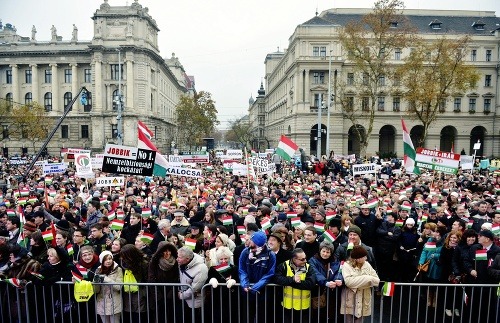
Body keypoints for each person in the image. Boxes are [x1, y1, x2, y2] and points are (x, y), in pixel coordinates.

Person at [238, 231, 276, 323]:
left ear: (258, 244)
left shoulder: (270, 255)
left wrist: (256, 287)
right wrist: (244, 284)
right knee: (247, 318)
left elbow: (269, 274)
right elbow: (242, 270)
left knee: (262, 318)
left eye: (252, 241)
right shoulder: (245, 252)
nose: (249, 242)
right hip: (247, 293)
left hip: (262, 293)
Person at [274, 248, 317, 323]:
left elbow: (311, 283)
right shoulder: (284, 266)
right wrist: (292, 279)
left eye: (305, 258)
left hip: (304, 306)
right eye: (302, 259)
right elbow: (277, 279)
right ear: (294, 259)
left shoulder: (308, 267)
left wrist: (292, 283)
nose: (305, 261)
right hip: (287, 306)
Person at [340, 245, 380, 323]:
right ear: (357, 258)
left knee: (360, 320)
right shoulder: (347, 265)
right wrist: (368, 278)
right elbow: (348, 282)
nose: (366, 258)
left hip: (364, 297)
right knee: (349, 320)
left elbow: (376, 280)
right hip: (350, 297)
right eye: (364, 257)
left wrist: (357, 283)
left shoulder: (367, 264)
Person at [308, 241, 343, 322]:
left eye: (328, 252)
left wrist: (339, 279)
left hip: (332, 291)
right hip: (319, 291)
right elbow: (315, 273)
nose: (325, 254)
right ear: (320, 251)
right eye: (323, 251)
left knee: (332, 313)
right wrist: (325, 282)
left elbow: (339, 271)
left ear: (331, 253)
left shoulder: (335, 260)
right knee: (318, 314)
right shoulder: (313, 260)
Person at [148, 241, 179, 323]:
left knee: (170, 316)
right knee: (159, 316)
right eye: (165, 251)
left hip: (170, 295)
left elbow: (176, 278)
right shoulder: (154, 262)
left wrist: (170, 295)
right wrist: (158, 296)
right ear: (160, 252)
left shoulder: (175, 262)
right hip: (157, 295)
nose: (167, 253)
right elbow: (151, 279)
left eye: (169, 251)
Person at [176, 246, 208, 323]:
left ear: (187, 259)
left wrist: (181, 296)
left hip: (195, 303)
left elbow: (194, 289)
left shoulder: (201, 268)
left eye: (179, 258)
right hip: (184, 299)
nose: (177, 259)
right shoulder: (183, 263)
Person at [120, 244, 149, 323]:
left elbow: (147, 279)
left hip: (140, 293)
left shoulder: (143, 264)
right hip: (127, 293)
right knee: (129, 314)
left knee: (140, 315)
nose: (122, 258)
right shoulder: (122, 264)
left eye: (124, 255)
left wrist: (144, 293)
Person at [94, 250, 123, 323]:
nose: (108, 261)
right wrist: (95, 283)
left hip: (114, 302)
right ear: (102, 261)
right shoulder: (98, 270)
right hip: (102, 302)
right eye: (105, 259)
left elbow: (119, 287)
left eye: (110, 259)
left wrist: (106, 279)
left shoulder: (118, 270)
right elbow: (96, 291)